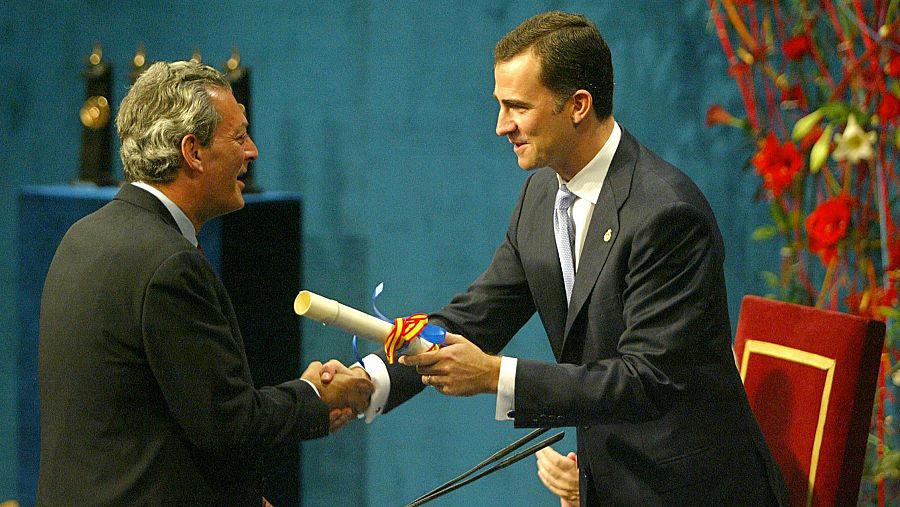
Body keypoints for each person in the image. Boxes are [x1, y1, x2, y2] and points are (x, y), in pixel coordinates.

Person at [350, 11, 789, 506]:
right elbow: (477, 318)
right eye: (499, 105)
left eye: (517, 107)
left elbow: (648, 379)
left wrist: (497, 376)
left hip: (691, 491)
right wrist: (373, 379)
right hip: (607, 479)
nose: (501, 126)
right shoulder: (540, 197)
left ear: (578, 105)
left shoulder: (667, 213)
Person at [37, 61, 373, 505]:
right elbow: (228, 424)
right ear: (192, 151)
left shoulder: (83, 236)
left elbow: (145, 425)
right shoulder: (169, 265)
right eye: (239, 137)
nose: (251, 152)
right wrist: (318, 396)